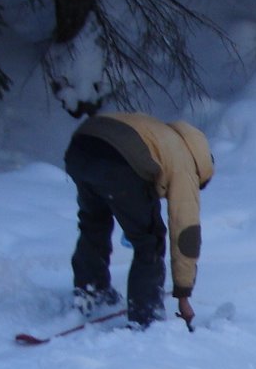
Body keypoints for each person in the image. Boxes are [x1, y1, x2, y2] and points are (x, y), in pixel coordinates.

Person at [63, 112, 215, 329]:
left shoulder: (161, 135)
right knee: (149, 240)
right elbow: (186, 233)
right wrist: (183, 293)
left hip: (81, 146)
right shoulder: (186, 164)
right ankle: (146, 316)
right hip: (118, 162)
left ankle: (91, 291)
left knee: (94, 223)